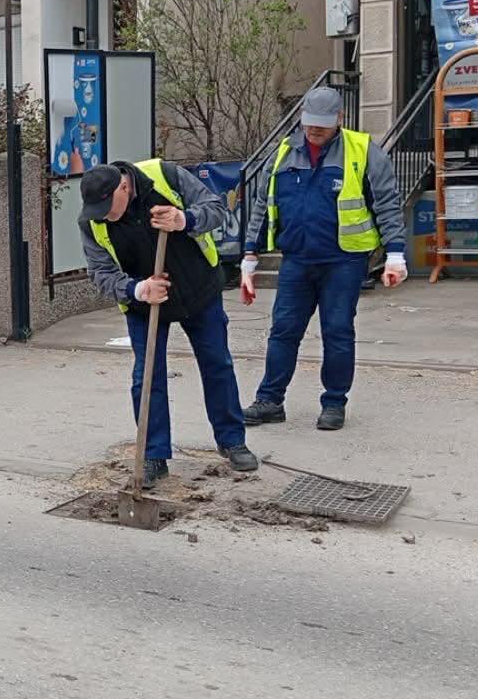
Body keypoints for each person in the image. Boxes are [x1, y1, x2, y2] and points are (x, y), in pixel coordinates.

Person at [79, 159, 260, 488]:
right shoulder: (92, 220)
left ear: (124, 187)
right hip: (145, 302)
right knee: (147, 376)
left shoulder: (164, 176)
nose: (103, 216)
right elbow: (101, 271)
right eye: (97, 210)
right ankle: (153, 454)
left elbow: (216, 208)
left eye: (107, 207)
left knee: (217, 364)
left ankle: (232, 440)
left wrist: (184, 219)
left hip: (198, 288)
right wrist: (138, 289)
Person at [239, 88, 407, 432]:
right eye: (309, 122)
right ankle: (270, 401)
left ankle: (334, 403)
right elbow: (262, 205)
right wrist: (249, 255)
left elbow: (387, 202)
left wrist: (395, 254)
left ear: (339, 119)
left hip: (343, 261)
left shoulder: (363, 151)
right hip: (297, 259)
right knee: (283, 331)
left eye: (323, 124)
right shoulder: (283, 154)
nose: (314, 130)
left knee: (337, 331)